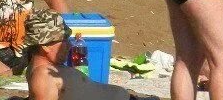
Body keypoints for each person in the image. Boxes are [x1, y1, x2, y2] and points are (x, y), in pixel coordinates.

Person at [24, 9, 159, 100]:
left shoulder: (44, 70)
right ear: (45, 46)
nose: (70, 45)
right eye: (64, 41)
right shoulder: (42, 77)